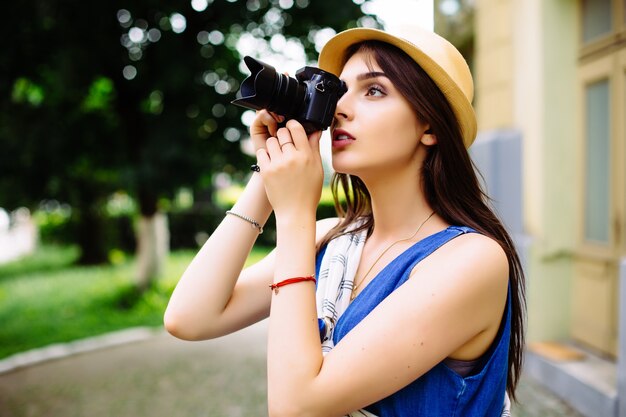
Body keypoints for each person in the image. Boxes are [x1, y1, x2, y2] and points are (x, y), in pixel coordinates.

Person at [164, 25, 526, 417]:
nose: (339, 109)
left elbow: (295, 407)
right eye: (340, 91)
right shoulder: (331, 240)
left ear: (431, 126)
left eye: (374, 90)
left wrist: (294, 214)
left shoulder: (472, 261)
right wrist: (267, 170)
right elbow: (189, 317)